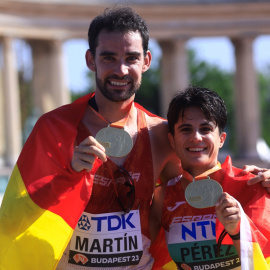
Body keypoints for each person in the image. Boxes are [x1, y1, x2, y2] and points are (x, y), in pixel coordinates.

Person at [0, 6, 269, 270]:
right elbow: (17, 215)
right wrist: (69, 175)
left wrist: (251, 181)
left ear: (147, 61)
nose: (121, 70)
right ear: (90, 60)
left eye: (131, 58)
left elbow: (197, 190)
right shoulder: (54, 128)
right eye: (108, 58)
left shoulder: (161, 134)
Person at [150, 86, 270, 269]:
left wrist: (238, 231)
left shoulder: (253, 185)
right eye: (185, 129)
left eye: (205, 129)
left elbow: (265, 259)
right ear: (172, 140)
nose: (196, 137)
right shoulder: (161, 197)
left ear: (221, 139)